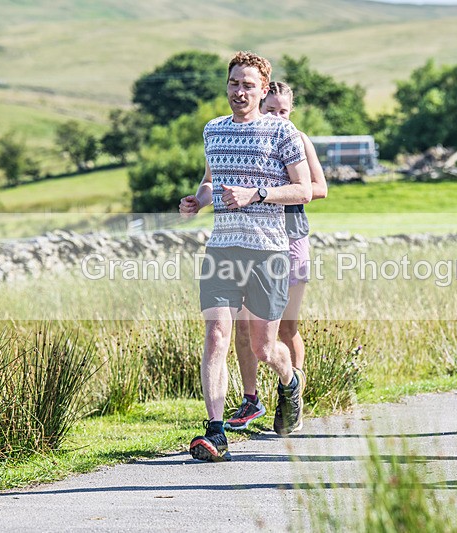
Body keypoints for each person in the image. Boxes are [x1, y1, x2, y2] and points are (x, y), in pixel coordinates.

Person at [179, 52, 312, 462]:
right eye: (234, 83)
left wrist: (256, 194)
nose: (239, 92)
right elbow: (210, 181)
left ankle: (290, 382)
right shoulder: (213, 130)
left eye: (248, 85)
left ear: (263, 89)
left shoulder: (282, 132)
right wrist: (198, 200)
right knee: (216, 334)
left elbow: (304, 190)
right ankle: (215, 432)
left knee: (262, 347)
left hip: (268, 251)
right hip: (222, 248)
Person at [225, 81, 328, 432]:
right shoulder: (248, 137)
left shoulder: (297, 139)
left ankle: (291, 399)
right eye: (272, 110)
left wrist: (270, 191)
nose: (279, 117)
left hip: (292, 236)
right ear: (260, 107)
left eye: (284, 111)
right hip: (253, 239)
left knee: (286, 327)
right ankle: (250, 399)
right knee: (244, 324)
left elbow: (319, 188)